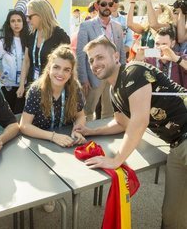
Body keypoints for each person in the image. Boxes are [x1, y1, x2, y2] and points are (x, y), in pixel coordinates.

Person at [74, 36, 187, 228]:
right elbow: (123, 124)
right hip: (177, 146)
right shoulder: (113, 90)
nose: (95, 64)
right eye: (91, 60)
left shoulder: (133, 71)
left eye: (100, 57)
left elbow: (139, 120)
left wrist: (116, 160)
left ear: (116, 56)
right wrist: (91, 131)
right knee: (172, 218)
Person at [20, 44, 86, 147]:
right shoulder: (36, 90)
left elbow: (80, 116)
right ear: (49, 68)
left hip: (68, 142)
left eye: (66, 70)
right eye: (56, 67)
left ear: (71, 73)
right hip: (40, 142)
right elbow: (24, 126)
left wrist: (77, 129)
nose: (60, 73)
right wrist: (53, 136)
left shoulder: (74, 88)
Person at [76, 0, 125, 121]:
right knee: (87, 111)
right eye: (103, 4)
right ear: (97, 6)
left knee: (110, 112)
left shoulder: (118, 27)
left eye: (110, 4)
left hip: (113, 76)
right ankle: (86, 137)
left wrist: (122, 75)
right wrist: (83, 78)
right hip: (93, 77)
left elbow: (120, 52)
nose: (107, 7)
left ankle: (105, 137)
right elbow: (81, 54)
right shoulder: (86, 26)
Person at [21, 0, 70, 86]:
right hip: (32, 84)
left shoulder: (59, 35)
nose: (27, 20)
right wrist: (21, 85)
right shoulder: (30, 34)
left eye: (30, 17)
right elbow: (26, 61)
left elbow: (67, 63)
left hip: (52, 86)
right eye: (26, 17)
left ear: (41, 15)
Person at [0, 10, 29, 114]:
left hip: (25, 84)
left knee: (20, 113)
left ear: (23, 23)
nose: (16, 23)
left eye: (19, 20)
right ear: (9, 24)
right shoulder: (2, 42)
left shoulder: (29, 40)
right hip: (8, 85)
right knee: (13, 114)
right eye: (13, 21)